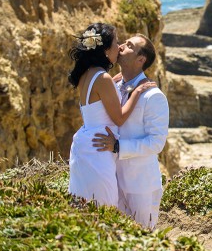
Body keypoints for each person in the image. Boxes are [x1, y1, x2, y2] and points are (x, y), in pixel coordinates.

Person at [67, 23, 157, 207]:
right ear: (106, 50)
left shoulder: (88, 74)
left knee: (84, 203)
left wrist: (115, 80)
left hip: (86, 142)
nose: (120, 47)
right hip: (99, 148)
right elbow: (119, 118)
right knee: (103, 204)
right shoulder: (103, 78)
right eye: (116, 43)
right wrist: (138, 91)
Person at [92, 34, 169, 229]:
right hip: (111, 178)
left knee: (144, 238)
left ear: (140, 60)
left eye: (128, 46)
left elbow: (156, 142)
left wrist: (118, 146)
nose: (120, 47)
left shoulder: (153, 96)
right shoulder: (113, 87)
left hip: (140, 185)